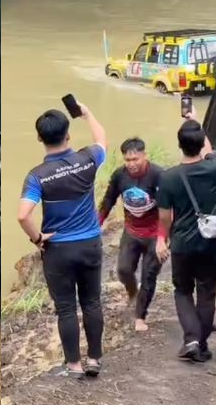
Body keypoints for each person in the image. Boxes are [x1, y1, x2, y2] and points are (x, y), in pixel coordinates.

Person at [18, 103, 107, 378]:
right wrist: (86, 113)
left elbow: (23, 216)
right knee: (92, 302)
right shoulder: (88, 159)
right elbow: (102, 140)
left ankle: (74, 365)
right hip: (90, 243)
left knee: (66, 308)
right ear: (68, 135)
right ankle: (94, 359)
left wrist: (38, 239)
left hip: (58, 250)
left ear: (39, 139)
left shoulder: (37, 176)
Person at [156, 108, 216, 362]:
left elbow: (164, 216)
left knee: (183, 290)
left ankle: (192, 340)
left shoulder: (169, 177)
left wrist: (162, 238)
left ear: (179, 145)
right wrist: (194, 120)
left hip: (183, 243)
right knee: (206, 291)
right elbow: (209, 149)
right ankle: (201, 345)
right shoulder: (214, 167)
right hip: (211, 242)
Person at [97, 137, 163, 332]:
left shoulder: (159, 175)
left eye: (136, 159)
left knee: (149, 276)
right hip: (132, 231)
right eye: (128, 160)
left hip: (155, 233)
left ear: (145, 156)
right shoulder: (120, 176)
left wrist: (162, 238)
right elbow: (108, 200)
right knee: (124, 270)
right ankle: (132, 293)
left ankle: (140, 316)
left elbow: (169, 209)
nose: (132, 164)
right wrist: (97, 224)